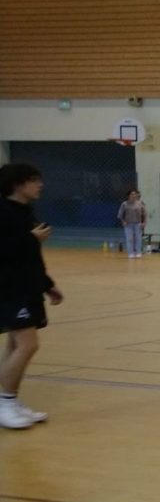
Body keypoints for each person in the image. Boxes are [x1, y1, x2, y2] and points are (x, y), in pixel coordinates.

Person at [0, 163, 63, 430]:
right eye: (34, 180)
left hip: (27, 287)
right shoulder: (3, 212)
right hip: (9, 289)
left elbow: (30, 257)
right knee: (28, 345)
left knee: (15, 345)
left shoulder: (25, 212)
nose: (40, 185)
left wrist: (47, 285)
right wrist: (31, 239)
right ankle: (5, 402)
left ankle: (10, 401)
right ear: (18, 184)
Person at [117, 189, 147, 258]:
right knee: (129, 239)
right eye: (132, 194)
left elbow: (144, 214)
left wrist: (144, 222)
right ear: (129, 195)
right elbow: (120, 215)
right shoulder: (124, 204)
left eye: (135, 194)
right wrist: (123, 221)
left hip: (138, 224)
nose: (134, 195)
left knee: (138, 239)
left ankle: (138, 252)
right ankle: (130, 253)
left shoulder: (140, 204)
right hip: (128, 224)